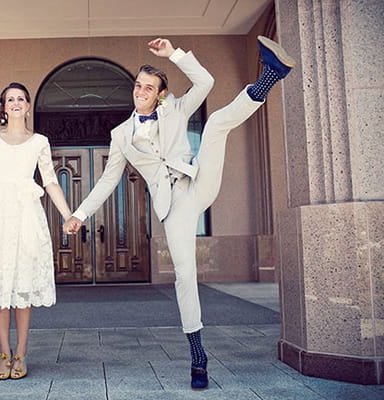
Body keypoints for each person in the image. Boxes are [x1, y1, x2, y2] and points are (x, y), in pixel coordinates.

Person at [63, 36, 295, 389]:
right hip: (173, 208)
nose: (141, 90)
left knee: (216, 123)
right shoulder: (121, 135)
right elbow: (107, 182)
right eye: (138, 85)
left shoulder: (176, 109)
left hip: (197, 180)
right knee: (185, 275)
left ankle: (270, 76)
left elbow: (206, 83)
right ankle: (198, 356)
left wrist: (174, 54)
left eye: (149, 87)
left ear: (159, 93)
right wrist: (81, 213)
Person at [0, 82, 72, 380]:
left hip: (26, 216)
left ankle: (21, 353)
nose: (16, 103)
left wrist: (67, 215)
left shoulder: (39, 142)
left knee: (22, 287)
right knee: (0, 289)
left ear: (28, 105)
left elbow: (50, 181)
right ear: (3, 107)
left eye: (21, 98)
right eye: (11, 99)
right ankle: (4, 354)